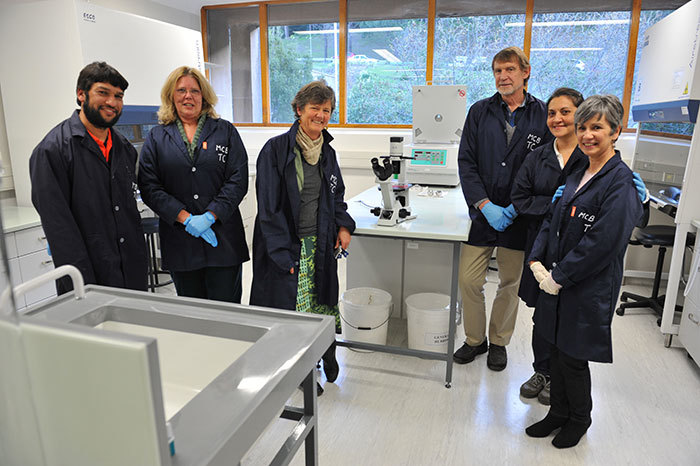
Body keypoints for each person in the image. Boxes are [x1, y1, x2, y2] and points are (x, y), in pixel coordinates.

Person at [512, 88, 650, 405]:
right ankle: (543, 373)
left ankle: (565, 396)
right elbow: (531, 203)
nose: (558, 119)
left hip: (576, 267)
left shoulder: (605, 167)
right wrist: (552, 215)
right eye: (551, 112)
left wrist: (641, 200)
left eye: (566, 112)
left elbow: (615, 226)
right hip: (544, 253)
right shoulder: (548, 160)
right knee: (543, 320)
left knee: (571, 337)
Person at [250, 80, 355, 393]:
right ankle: (301, 371)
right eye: (315, 109)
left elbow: (337, 196)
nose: (321, 115)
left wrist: (344, 225)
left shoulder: (328, 152)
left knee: (321, 305)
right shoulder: (275, 151)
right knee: (293, 312)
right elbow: (268, 208)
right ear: (299, 110)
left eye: (326, 110)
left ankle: (326, 352)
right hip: (287, 245)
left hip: (319, 243)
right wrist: (282, 255)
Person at [454, 46, 552, 371]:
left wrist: (516, 207)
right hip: (483, 214)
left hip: (519, 218)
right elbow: (466, 161)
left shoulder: (543, 116)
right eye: (497, 71)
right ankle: (474, 340)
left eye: (509, 69)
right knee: (469, 280)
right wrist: (484, 204)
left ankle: (498, 341)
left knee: (510, 282)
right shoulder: (479, 112)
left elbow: (547, 167)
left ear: (526, 72)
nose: (503, 76)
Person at [29, 61, 147, 294]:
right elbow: (60, 230)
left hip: (131, 271)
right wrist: (83, 286)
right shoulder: (52, 151)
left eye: (119, 96)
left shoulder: (124, 148)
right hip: (87, 277)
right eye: (103, 93)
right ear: (81, 94)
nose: (112, 102)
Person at [138, 66, 249, 303]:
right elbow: (149, 186)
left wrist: (210, 215)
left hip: (223, 241)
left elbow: (237, 179)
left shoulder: (225, 131)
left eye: (195, 91)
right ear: (172, 96)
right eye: (181, 90)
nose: (188, 96)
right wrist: (185, 218)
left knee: (228, 311)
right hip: (181, 242)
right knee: (192, 313)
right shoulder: (157, 137)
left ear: (204, 96)